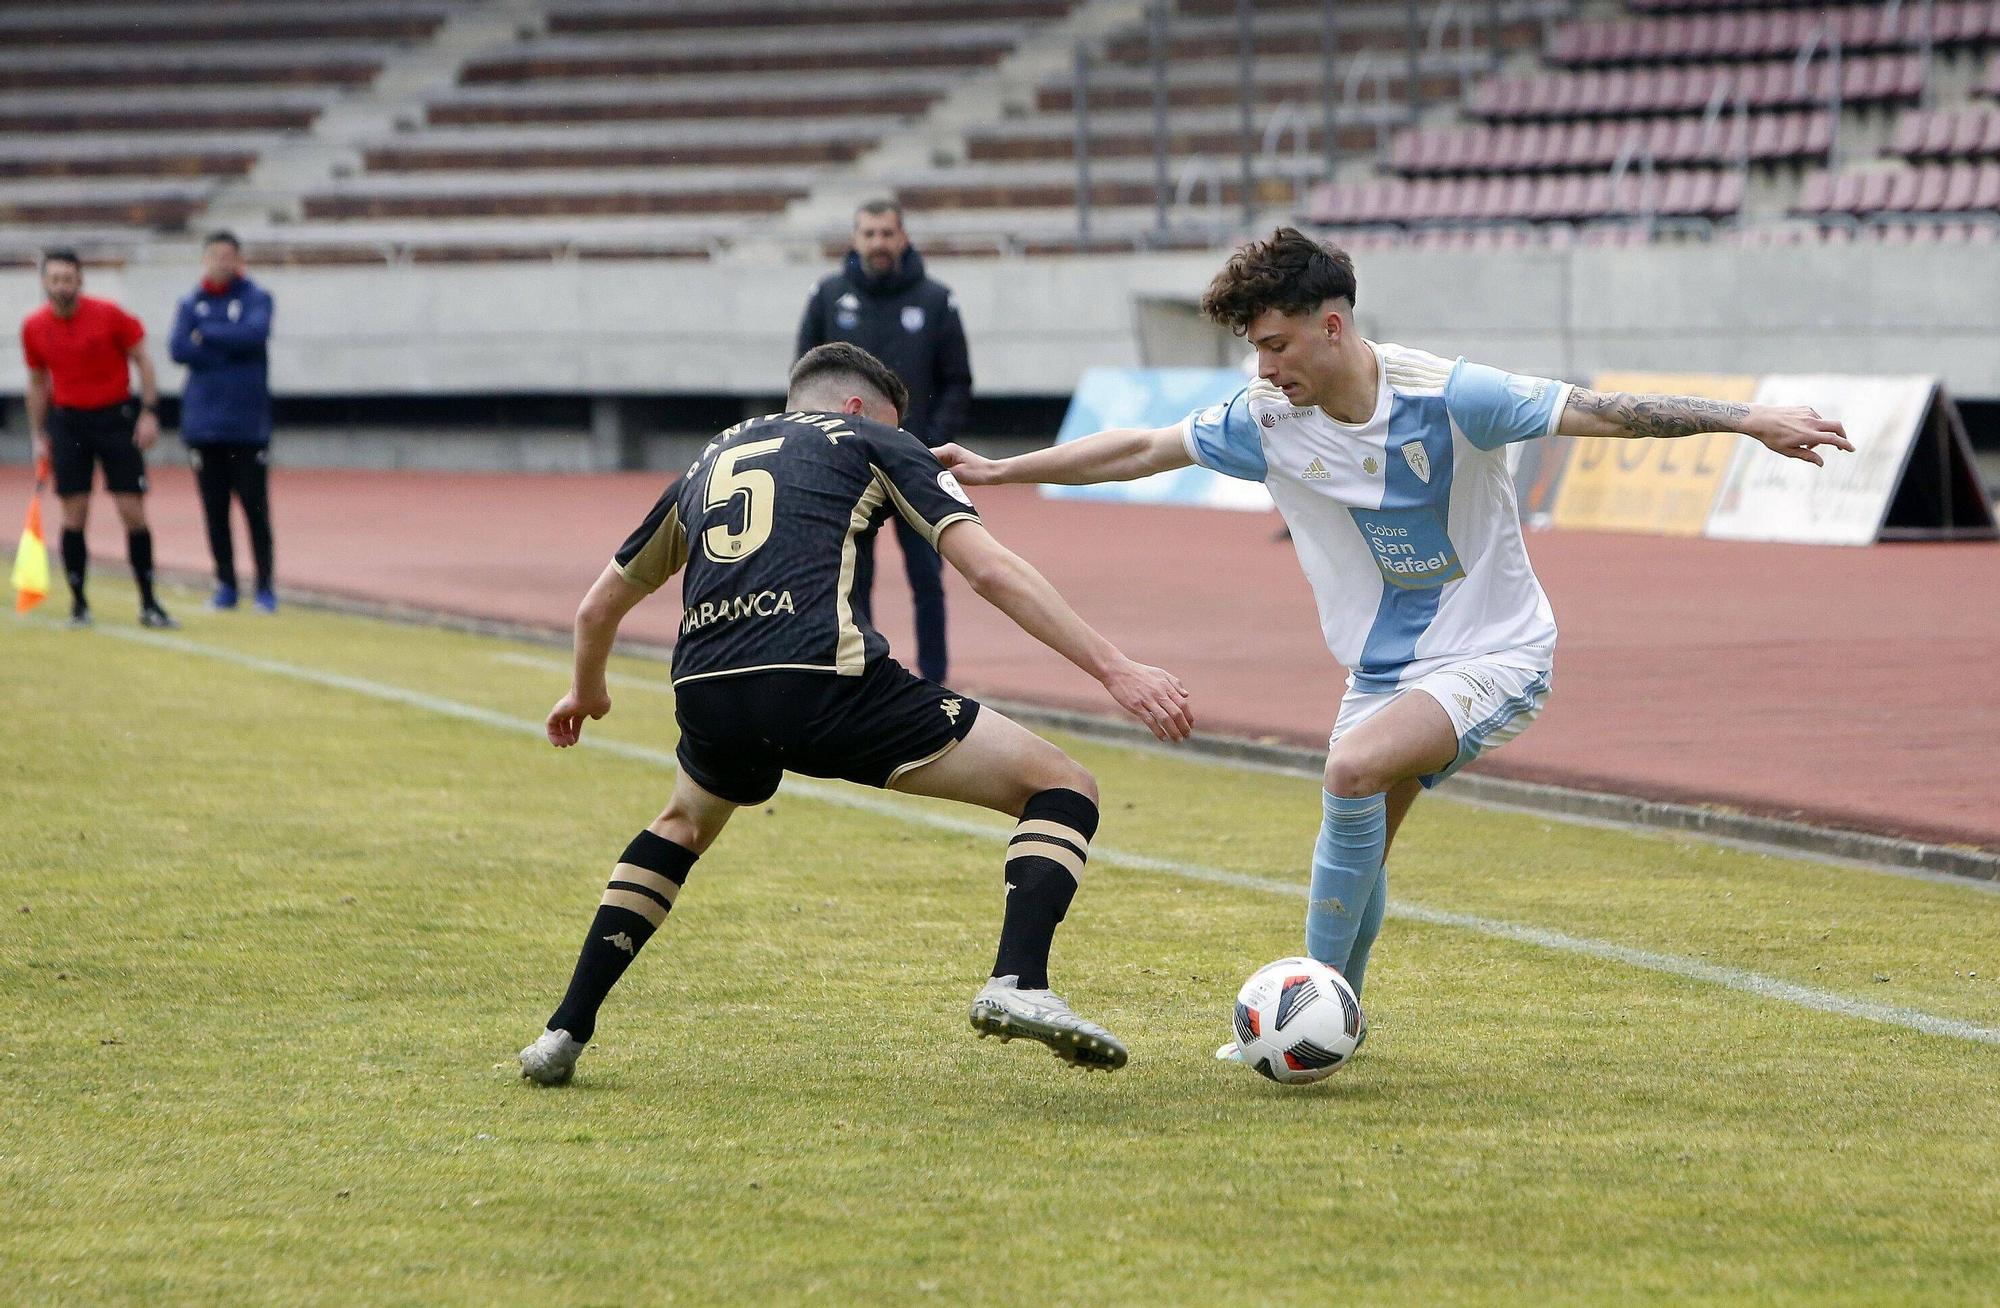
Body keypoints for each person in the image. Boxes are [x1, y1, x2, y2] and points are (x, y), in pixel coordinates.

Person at [934, 227, 1852, 1068]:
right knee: (1363, 836)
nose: (1263, 367)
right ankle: (1334, 1025)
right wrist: (1005, 471)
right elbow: (1142, 447)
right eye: (1254, 349)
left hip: (1497, 655)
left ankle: (1311, 1010)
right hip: (1384, 670)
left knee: (1350, 769)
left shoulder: (1453, 397)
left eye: (1276, 345)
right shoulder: (1269, 416)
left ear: (1332, 327)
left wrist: (1745, 421)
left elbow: (1603, 411)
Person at [518, 342, 1191, 1086]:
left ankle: (563, 1033)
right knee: (1062, 788)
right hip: (821, 679)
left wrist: (587, 692)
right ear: (856, 408)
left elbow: (597, 607)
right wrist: (1115, 668)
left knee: (680, 823)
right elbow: (991, 569)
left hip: (706, 685)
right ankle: (1019, 983)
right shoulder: (873, 439)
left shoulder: (708, 461)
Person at [795, 199, 972, 684]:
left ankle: (936, 679)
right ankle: (860, 674)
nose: (878, 243)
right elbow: (804, 378)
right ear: (855, 239)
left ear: (904, 238)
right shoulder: (828, 296)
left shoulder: (937, 301)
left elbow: (958, 381)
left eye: (887, 233)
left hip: (916, 463)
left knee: (928, 578)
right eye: (869, 233)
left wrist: (927, 443)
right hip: (846, 467)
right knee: (850, 576)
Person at [21, 248, 175, 629]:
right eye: (55, 279)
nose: (62, 287)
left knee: (132, 511)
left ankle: (149, 602)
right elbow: (38, 383)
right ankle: (79, 603)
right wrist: (39, 434)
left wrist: (150, 412)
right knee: (75, 512)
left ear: (79, 281)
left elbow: (143, 359)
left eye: (68, 279)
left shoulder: (109, 315)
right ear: (45, 282)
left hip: (115, 418)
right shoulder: (34, 327)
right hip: (69, 422)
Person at [170, 230, 276, 613]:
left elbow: (254, 334)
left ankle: (264, 586)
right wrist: (227, 349)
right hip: (203, 425)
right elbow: (178, 347)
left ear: (239, 259)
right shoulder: (190, 302)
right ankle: (225, 584)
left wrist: (208, 336)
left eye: (228, 256)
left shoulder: (256, 297)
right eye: (215, 255)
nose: (222, 262)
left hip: (247, 426)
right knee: (214, 511)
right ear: (205, 259)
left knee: (255, 509)